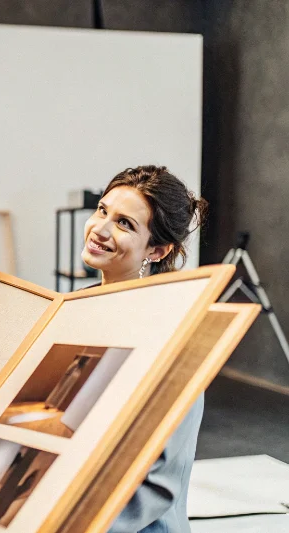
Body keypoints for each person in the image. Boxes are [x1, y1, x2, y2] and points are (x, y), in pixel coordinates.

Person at [80, 165, 208, 533]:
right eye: (103, 211)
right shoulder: (72, 310)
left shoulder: (171, 333)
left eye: (124, 224)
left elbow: (158, 481)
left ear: (157, 249)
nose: (100, 230)